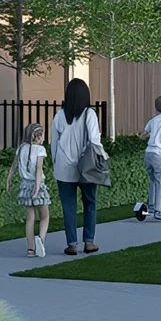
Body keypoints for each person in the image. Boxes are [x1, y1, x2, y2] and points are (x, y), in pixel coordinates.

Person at [50, 77, 108, 254]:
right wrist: (103, 156)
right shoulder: (89, 114)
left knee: (69, 207)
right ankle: (89, 241)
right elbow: (94, 141)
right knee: (89, 203)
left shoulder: (60, 116)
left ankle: (72, 244)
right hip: (86, 168)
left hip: (63, 168)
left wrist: (55, 163)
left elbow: (54, 144)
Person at [12, 122, 51, 256]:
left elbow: (14, 167)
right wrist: (37, 187)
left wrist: (8, 181)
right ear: (39, 137)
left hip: (24, 185)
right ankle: (40, 239)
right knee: (45, 216)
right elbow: (39, 169)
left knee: (30, 218)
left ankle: (30, 249)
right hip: (37, 185)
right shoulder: (40, 150)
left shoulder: (21, 148)